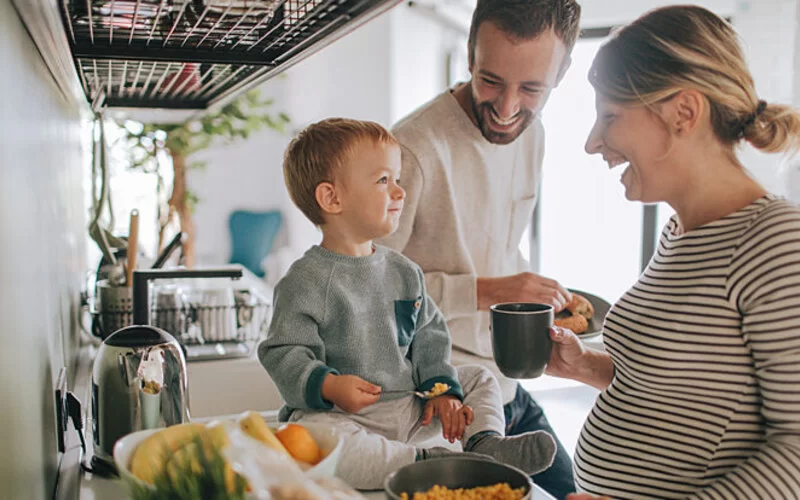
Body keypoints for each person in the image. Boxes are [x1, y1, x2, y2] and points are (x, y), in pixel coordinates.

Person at [547, 5, 800, 499]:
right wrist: (587, 366)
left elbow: (796, 449)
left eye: (610, 117)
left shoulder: (774, 242)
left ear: (684, 112)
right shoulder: (679, 234)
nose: (592, 143)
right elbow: (685, 391)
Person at [258, 118, 557, 490]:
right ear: (332, 198)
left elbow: (429, 335)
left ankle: (484, 443)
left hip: (409, 404)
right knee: (314, 437)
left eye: (397, 179)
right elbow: (283, 352)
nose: (400, 192)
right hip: (346, 416)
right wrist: (330, 386)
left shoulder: (403, 270)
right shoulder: (305, 280)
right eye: (384, 181)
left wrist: (443, 389)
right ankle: (431, 464)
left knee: (480, 377)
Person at [378, 0, 582, 497]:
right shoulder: (412, 147)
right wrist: (492, 290)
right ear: (470, 55)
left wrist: (530, 296)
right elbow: (373, 291)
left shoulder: (534, 136)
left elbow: (495, 244)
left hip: (506, 386)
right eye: (490, 80)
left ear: (564, 72)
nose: (508, 108)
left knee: (578, 491)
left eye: (532, 88)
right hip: (442, 400)